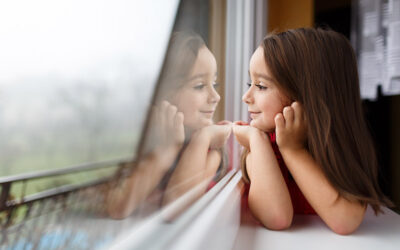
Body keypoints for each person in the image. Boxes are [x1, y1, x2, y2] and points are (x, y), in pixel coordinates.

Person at [233, 27, 393, 235]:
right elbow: (277, 217)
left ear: (307, 96)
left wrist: (293, 149)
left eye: (261, 86)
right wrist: (256, 140)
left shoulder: (337, 149)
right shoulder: (260, 143)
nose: (246, 96)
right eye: (250, 83)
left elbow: (346, 220)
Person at [106, 31, 231, 219]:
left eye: (215, 83)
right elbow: (117, 208)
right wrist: (165, 152)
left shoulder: (211, 149)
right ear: (162, 93)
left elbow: (176, 209)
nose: (216, 97)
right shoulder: (140, 145)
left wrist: (201, 138)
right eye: (199, 86)